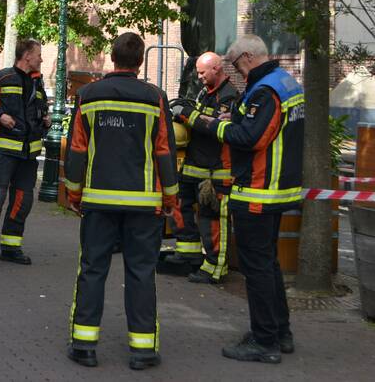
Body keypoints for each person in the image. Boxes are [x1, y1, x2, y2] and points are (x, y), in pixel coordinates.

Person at [64, 32, 179, 371]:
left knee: (92, 270)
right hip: (144, 205)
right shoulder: (155, 98)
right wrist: (170, 198)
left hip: (98, 202)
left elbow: (77, 150)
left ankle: (84, 346)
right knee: (141, 273)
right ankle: (142, 351)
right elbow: (164, 151)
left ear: (112, 58)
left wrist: (74, 194)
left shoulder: (88, 95)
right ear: (140, 61)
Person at [191, 35, 303, 364]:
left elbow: (249, 138)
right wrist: (235, 120)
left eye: (237, 65)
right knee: (268, 264)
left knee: (257, 269)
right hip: (277, 189)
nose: (237, 72)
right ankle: (280, 332)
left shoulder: (266, 90)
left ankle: (264, 341)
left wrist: (210, 125)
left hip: (258, 189)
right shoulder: (287, 83)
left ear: (247, 57)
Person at [0, 39, 50, 269]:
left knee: (22, 203)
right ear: (27, 56)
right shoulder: (2, 77)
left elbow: (40, 112)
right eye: (38, 55)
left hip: (29, 156)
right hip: (4, 154)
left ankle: (11, 248)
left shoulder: (37, 83)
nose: (41, 59)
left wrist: (45, 121)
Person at [169, 52, 240, 283]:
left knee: (212, 220)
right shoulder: (204, 92)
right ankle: (188, 253)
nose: (199, 77)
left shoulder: (230, 96)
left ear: (216, 69)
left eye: (202, 72)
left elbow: (212, 125)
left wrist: (186, 113)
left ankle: (214, 268)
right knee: (177, 204)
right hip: (193, 167)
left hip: (216, 172)